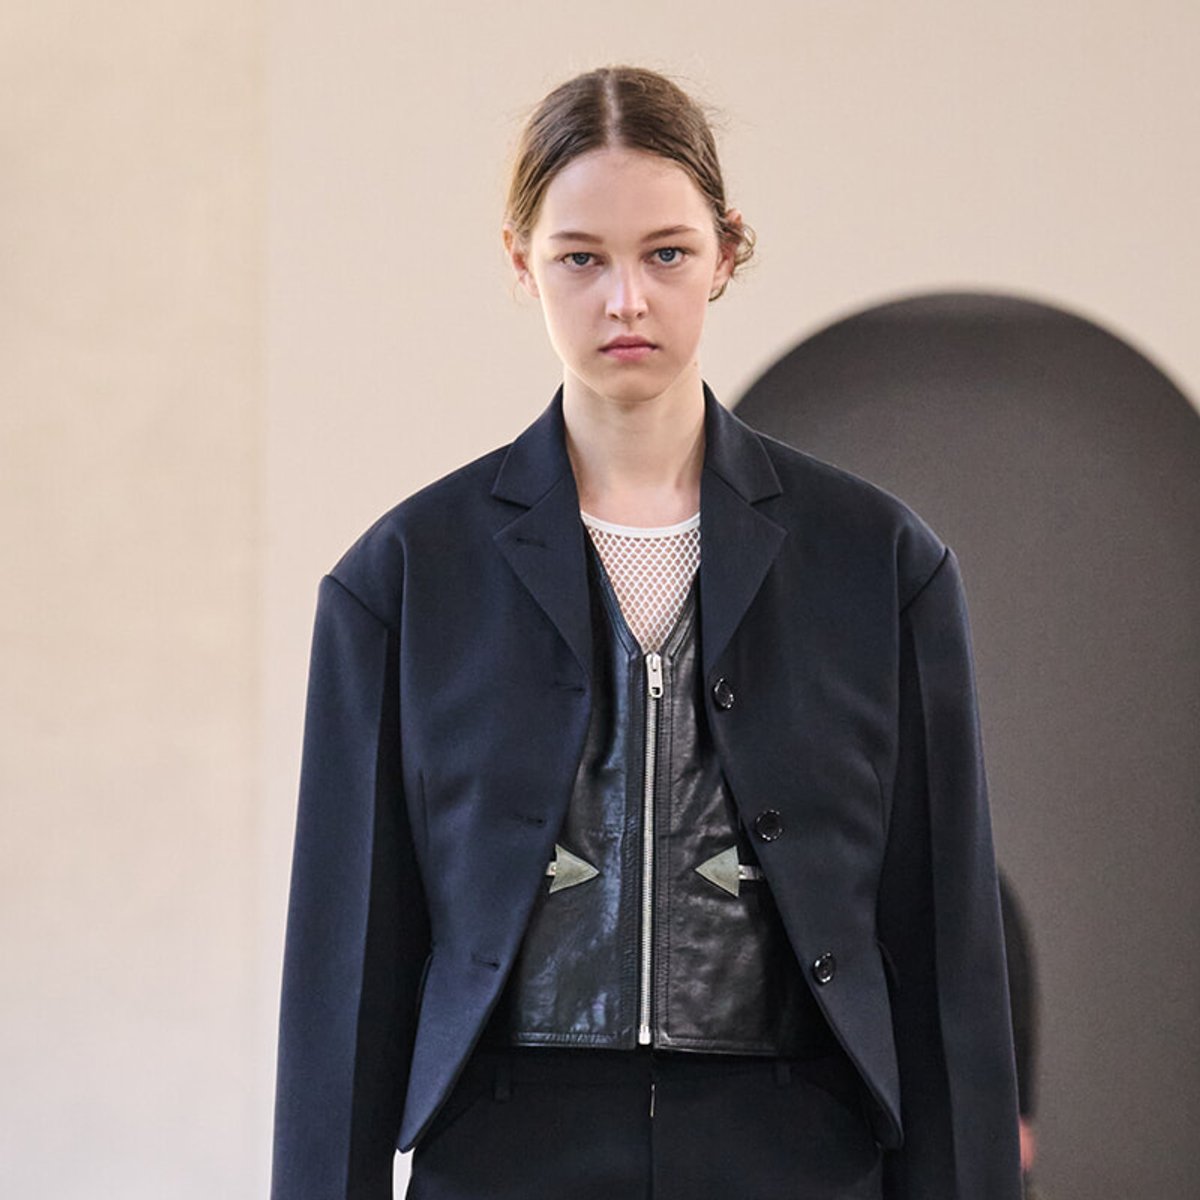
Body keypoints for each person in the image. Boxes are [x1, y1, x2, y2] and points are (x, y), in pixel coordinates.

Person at [270, 64, 1023, 1200]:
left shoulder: (878, 564)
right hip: (505, 1159)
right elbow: (347, 972)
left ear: (726, 252)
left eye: (665, 252)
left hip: (798, 1156)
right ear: (520, 263)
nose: (626, 300)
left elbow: (940, 950)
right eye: (582, 257)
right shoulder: (407, 577)